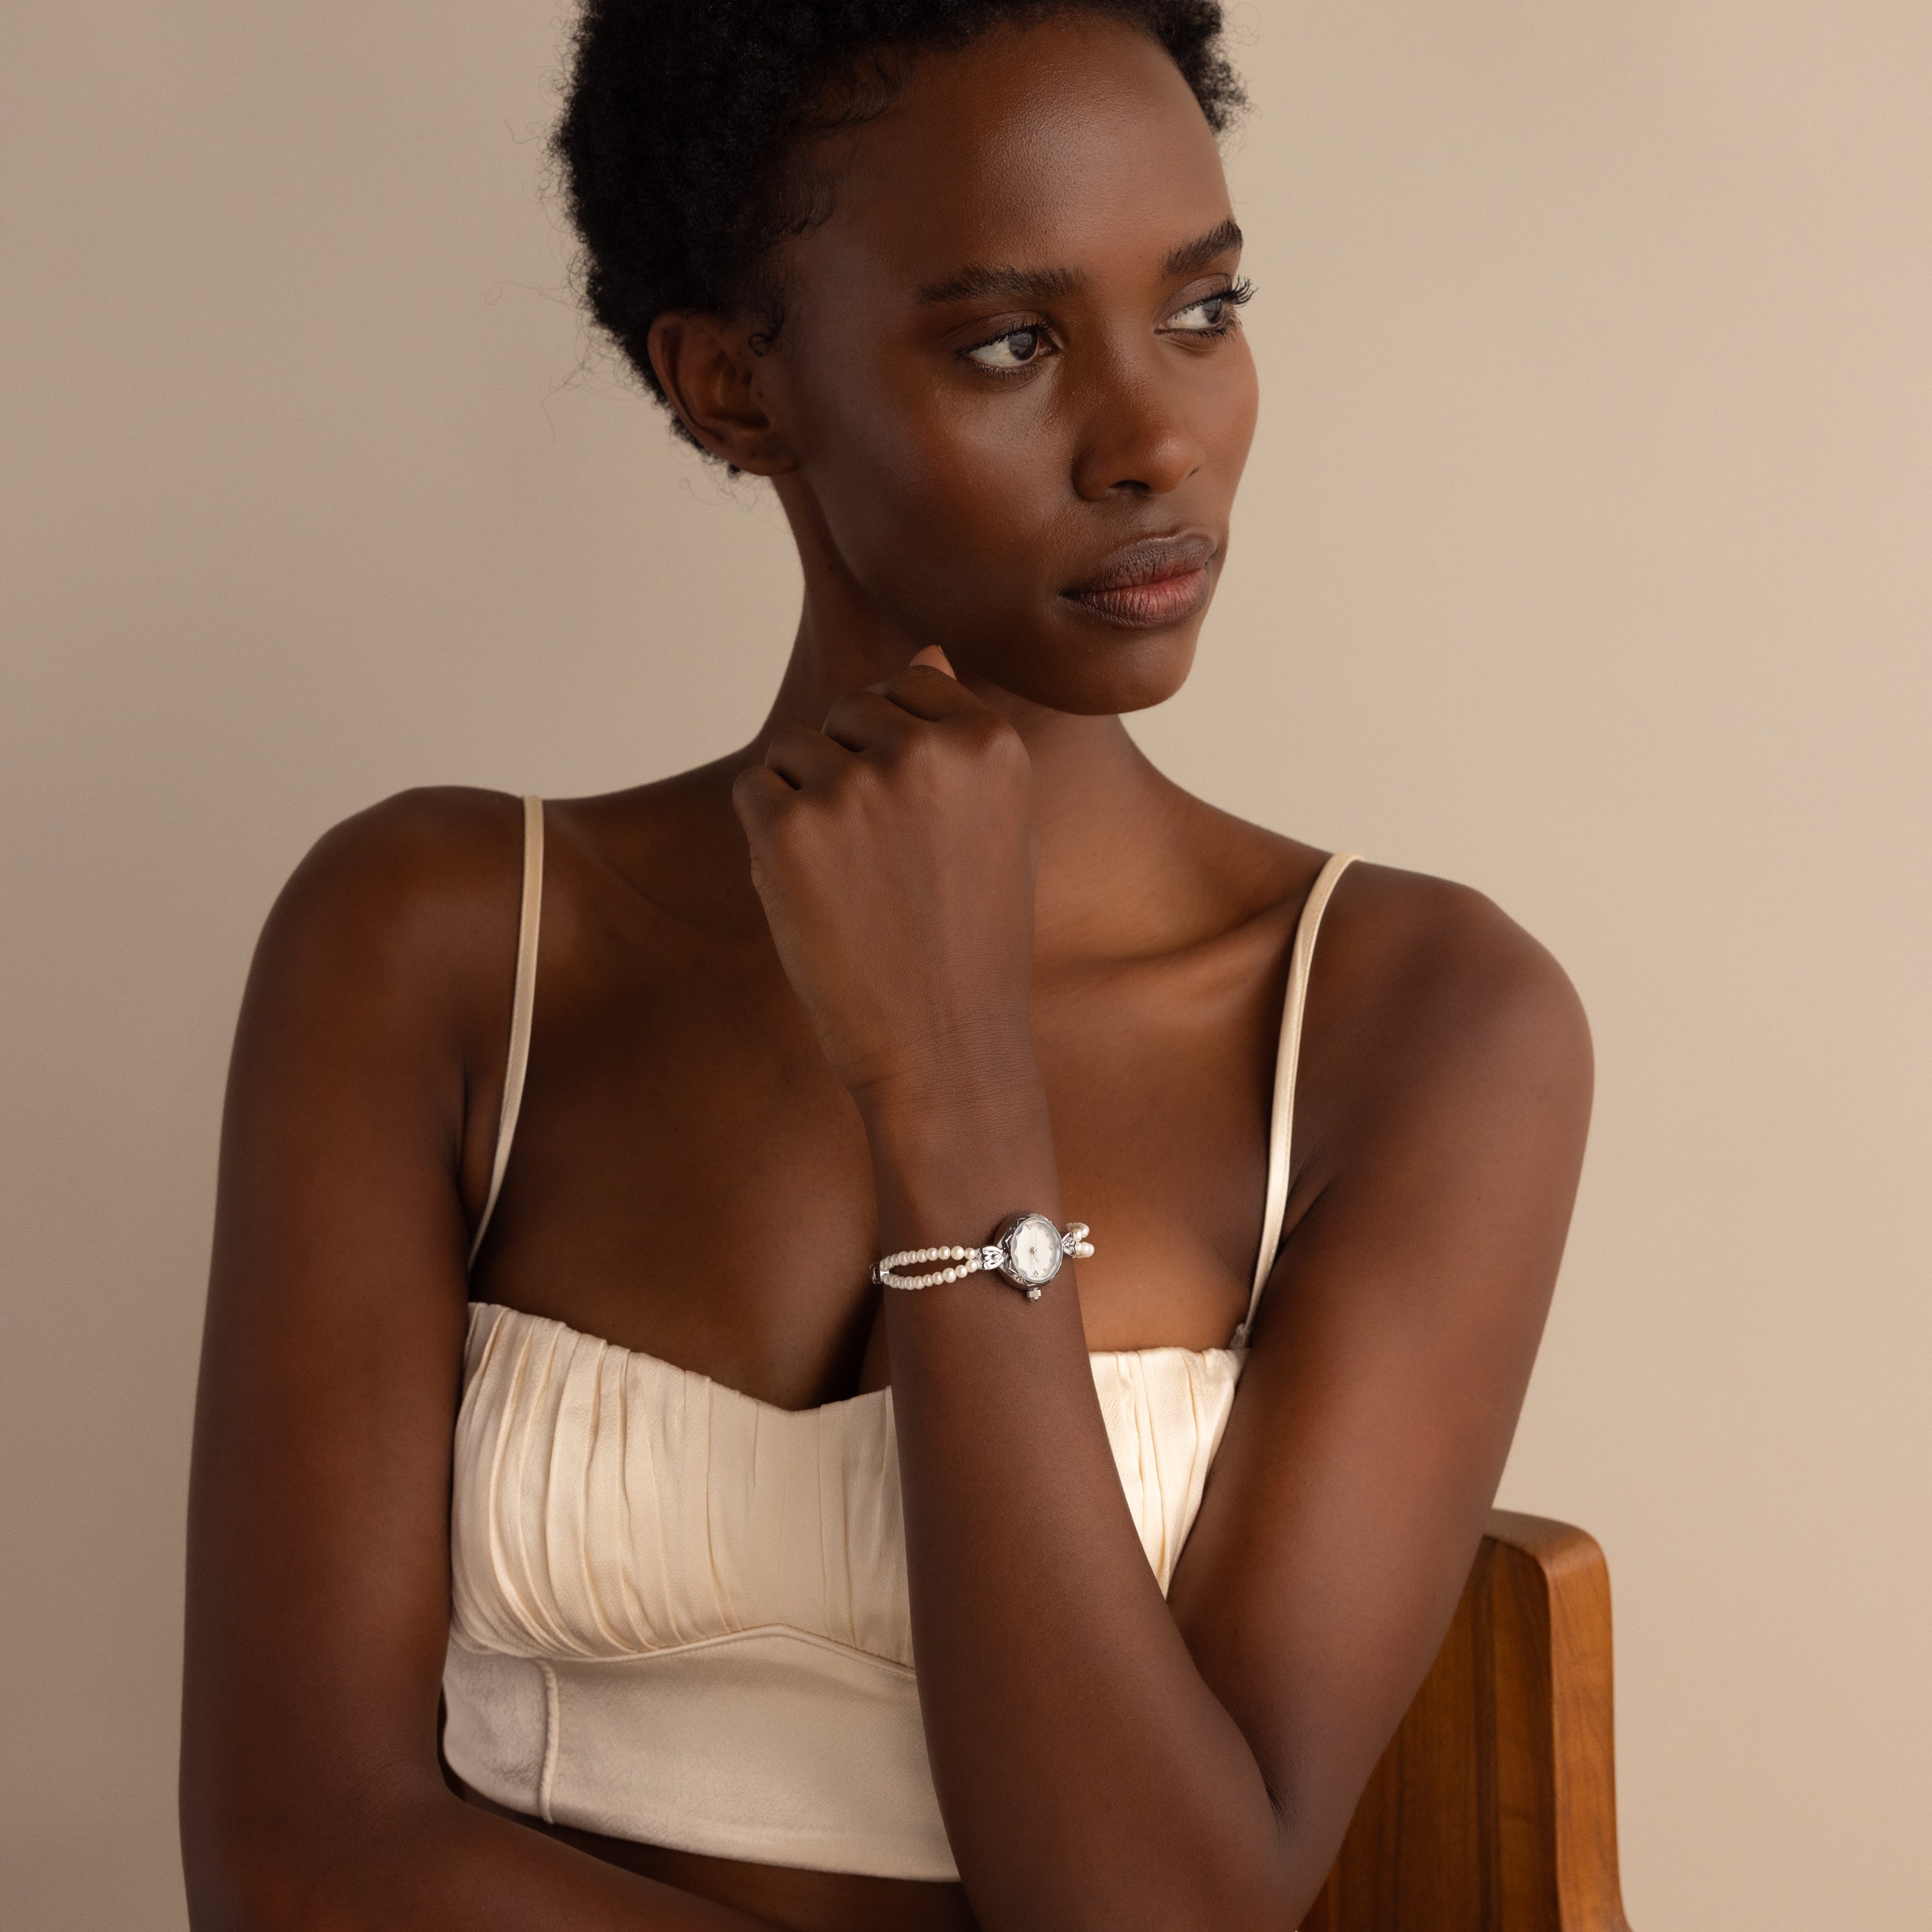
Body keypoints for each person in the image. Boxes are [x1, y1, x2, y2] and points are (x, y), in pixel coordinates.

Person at [180, 4, 1593, 1927]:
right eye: (1013, 342)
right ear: (733, 388)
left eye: (1202, 307)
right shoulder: (440, 940)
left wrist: (954, 1090)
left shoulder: (1414, 1021)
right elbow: (297, 1855)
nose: (1156, 437)